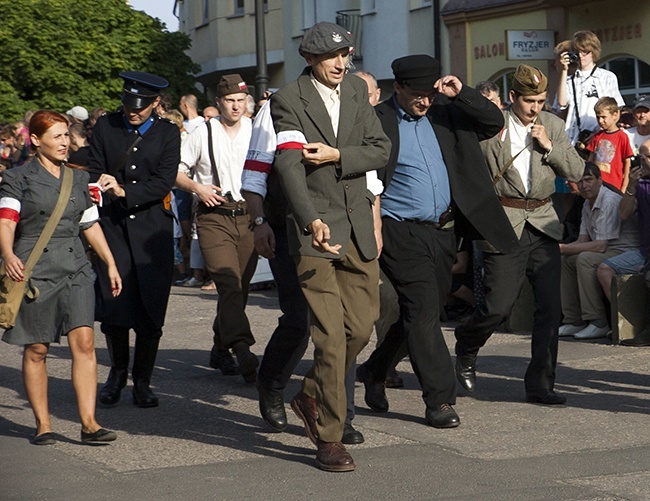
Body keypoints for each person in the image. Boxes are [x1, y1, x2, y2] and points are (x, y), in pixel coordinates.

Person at [356, 54, 517, 429]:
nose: (424, 102)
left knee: (421, 311)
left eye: (429, 94)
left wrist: (462, 93)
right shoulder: (378, 119)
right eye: (416, 95)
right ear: (397, 87)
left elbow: (494, 122)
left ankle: (375, 369)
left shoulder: (447, 109)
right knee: (424, 308)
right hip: (399, 229)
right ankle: (440, 400)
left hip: (444, 230)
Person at [270, 22, 390, 472]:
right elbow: (288, 165)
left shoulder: (357, 93)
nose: (342, 64)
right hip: (315, 232)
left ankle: (308, 394)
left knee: (361, 328)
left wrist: (340, 155)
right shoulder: (287, 99)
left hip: (358, 228)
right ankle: (330, 439)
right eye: (332, 58)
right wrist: (310, 220)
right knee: (332, 340)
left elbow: (380, 149)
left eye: (346, 55)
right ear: (311, 60)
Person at [455, 64, 584, 405]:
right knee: (498, 307)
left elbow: (576, 170)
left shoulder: (553, 125)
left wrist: (549, 147)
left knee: (549, 308)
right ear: (513, 97)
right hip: (503, 221)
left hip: (543, 221)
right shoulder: (492, 126)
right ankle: (467, 344)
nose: (535, 107)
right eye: (529, 101)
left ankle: (541, 384)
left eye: (541, 100)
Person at [0, 110, 122, 445]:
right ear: (36, 141)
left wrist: (109, 262)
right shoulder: (18, 178)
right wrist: (9, 255)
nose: (64, 143)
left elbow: (89, 224)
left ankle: (89, 423)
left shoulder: (79, 179)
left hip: (76, 266)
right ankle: (43, 424)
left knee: (83, 342)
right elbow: (7, 220)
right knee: (37, 348)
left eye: (67, 135)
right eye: (56, 136)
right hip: (34, 267)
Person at [88, 71, 180, 408]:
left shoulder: (168, 133)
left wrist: (125, 189)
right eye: (128, 103)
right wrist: (103, 181)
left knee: (150, 309)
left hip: (150, 232)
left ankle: (143, 380)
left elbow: (163, 181)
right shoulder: (106, 126)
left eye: (140, 106)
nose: (132, 111)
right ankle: (116, 374)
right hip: (113, 227)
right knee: (115, 307)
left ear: (155, 103)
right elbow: (93, 165)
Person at [175, 74, 258, 383]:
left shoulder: (256, 130)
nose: (236, 107)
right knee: (228, 284)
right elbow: (177, 171)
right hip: (214, 216)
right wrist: (198, 188)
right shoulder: (202, 132)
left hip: (249, 216)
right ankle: (243, 348)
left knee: (240, 289)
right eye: (230, 101)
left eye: (240, 101)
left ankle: (219, 347)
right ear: (219, 102)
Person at [559, 163, 639, 340]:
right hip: (607, 250)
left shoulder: (608, 200)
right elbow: (582, 241)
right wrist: (564, 251)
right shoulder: (587, 204)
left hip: (625, 251)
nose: (584, 185)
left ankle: (598, 322)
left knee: (585, 259)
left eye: (588, 180)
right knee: (567, 261)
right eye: (579, 182)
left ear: (600, 180)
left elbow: (600, 246)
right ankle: (573, 320)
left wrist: (562, 248)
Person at [597, 139, 650, 311]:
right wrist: (631, 187)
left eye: (648, 157)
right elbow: (624, 214)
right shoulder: (641, 185)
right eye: (641, 158)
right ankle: (628, 323)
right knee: (605, 269)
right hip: (645, 253)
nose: (644, 162)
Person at [555, 30, 624, 146]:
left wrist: (600, 132)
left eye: (585, 52)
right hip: (573, 138)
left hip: (601, 137)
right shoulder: (569, 80)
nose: (581, 56)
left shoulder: (607, 77)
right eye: (577, 52)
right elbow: (562, 103)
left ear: (593, 52)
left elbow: (616, 110)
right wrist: (563, 71)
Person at [587, 97, 633, 192]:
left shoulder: (622, 137)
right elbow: (591, 160)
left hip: (614, 186)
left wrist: (624, 186)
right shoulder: (597, 136)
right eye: (598, 117)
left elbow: (627, 163)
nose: (600, 121)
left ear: (615, 115)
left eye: (604, 117)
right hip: (597, 185)